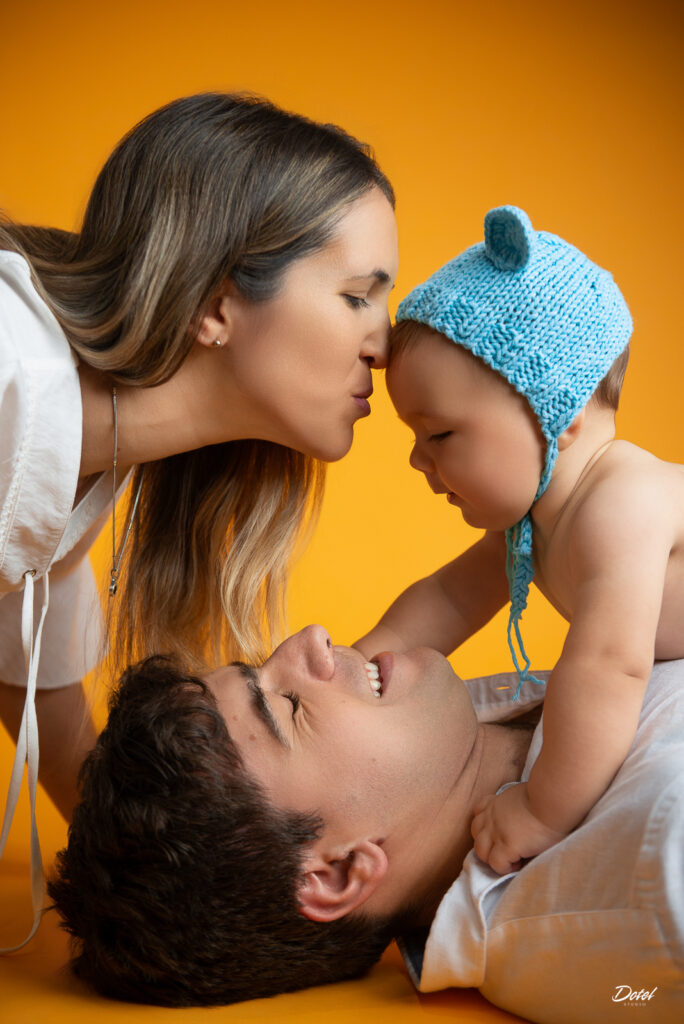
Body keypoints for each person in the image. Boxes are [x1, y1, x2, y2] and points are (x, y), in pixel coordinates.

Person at [0, 92, 398, 948]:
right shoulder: (11, 367)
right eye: (358, 296)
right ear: (218, 305)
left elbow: (32, 678)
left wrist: (192, 887)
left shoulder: (85, 454)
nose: (385, 346)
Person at [48, 626, 684, 1020]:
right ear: (339, 871)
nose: (313, 638)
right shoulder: (658, 862)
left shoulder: (444, 751)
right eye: (290, 707)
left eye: (266, 667)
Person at [356, 205, 684, 874]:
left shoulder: (620, 503)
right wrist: (358, 666)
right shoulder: (532, 525)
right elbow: (449, 598)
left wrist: (541, 807)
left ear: (559, 410)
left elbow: (607, 667)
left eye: (440, 434)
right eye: (415, 440)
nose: (420, 461)